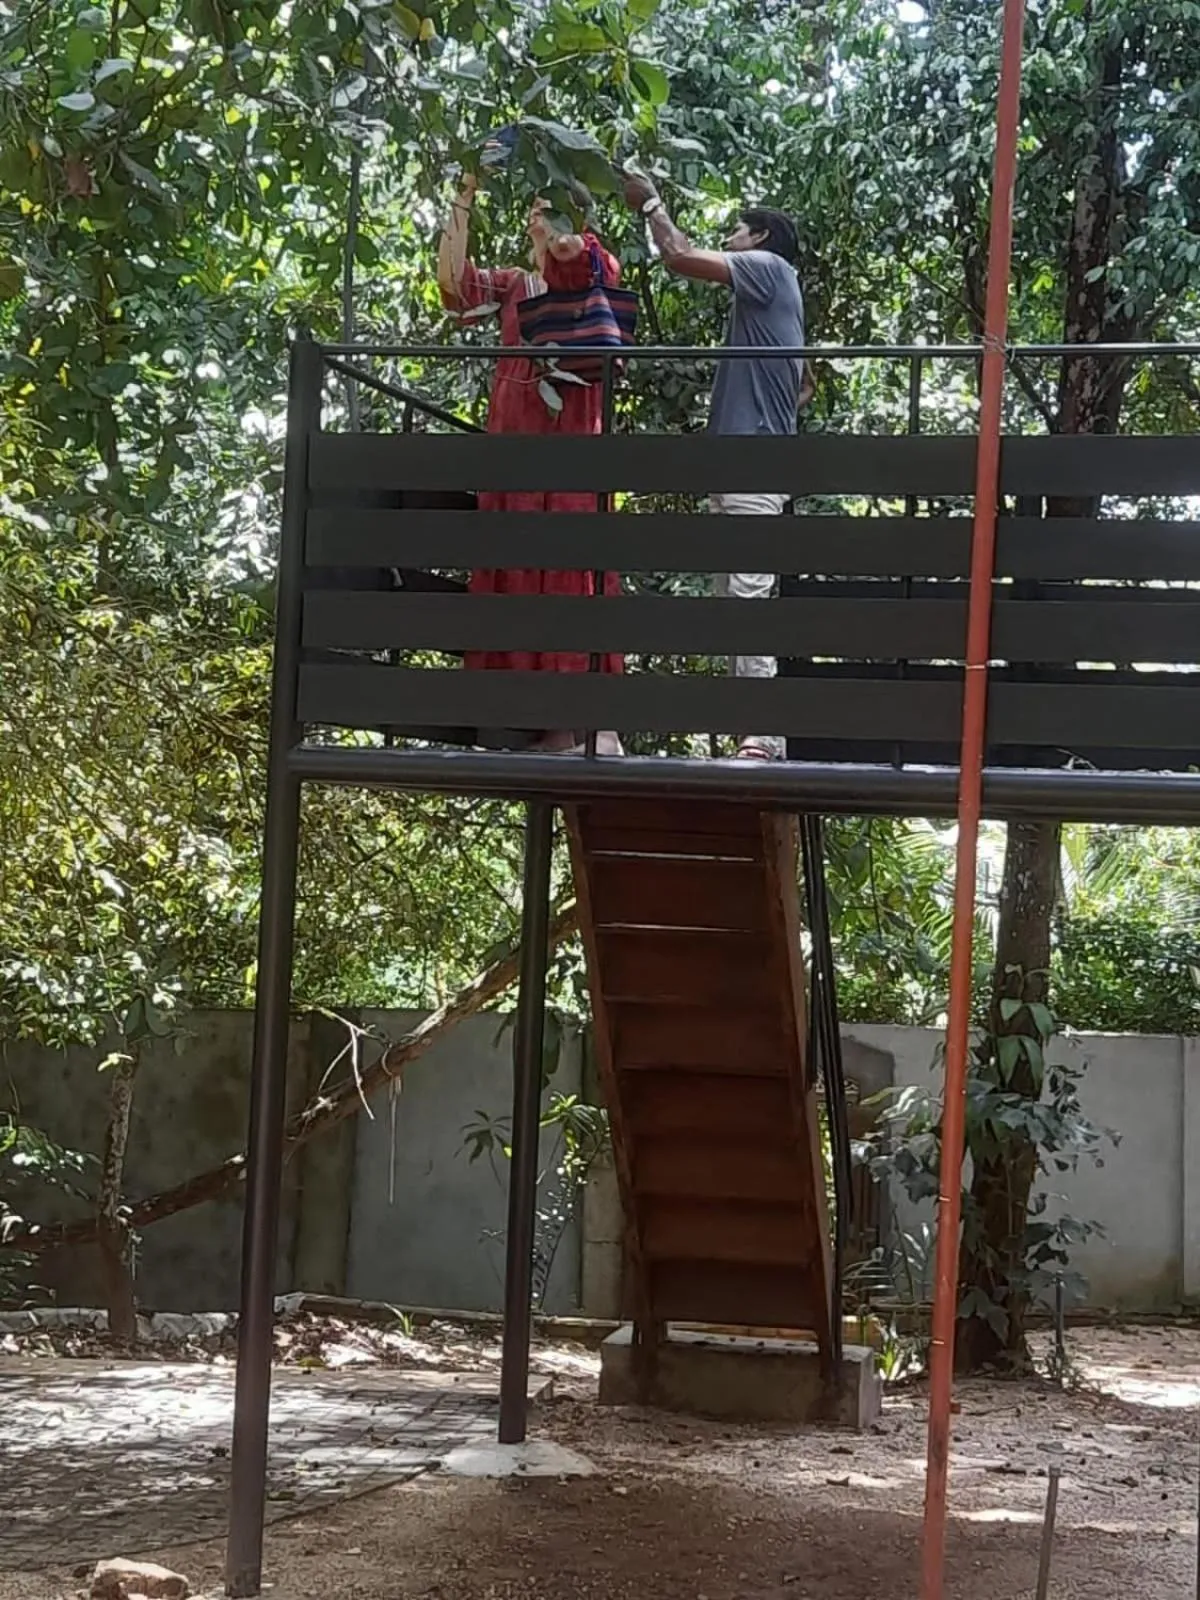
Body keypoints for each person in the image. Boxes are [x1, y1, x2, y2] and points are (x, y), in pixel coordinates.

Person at [438, 167, 624, 756]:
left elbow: (573, 259)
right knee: (516, 569)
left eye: (552, 210)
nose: (538, 220)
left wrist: (562, 225)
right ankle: (532, 722)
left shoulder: (595, 266)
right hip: (515, 451)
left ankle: (590, 728)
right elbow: (452, 287)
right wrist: (462, 195)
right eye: (535, 211)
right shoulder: (514, 284)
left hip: (571, 453)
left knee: (572, 573)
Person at [623, 174, 807, 761]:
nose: (729, 238)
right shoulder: (774, 301)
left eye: (736, 230)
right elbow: (804, 386)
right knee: (735, 601)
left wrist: (651, 202)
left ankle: (764, 735)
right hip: (745, 457)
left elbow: (678, 256)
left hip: (753, 458)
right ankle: (750, 734)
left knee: (748, 596)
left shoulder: (771, 270)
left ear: (761, 237)